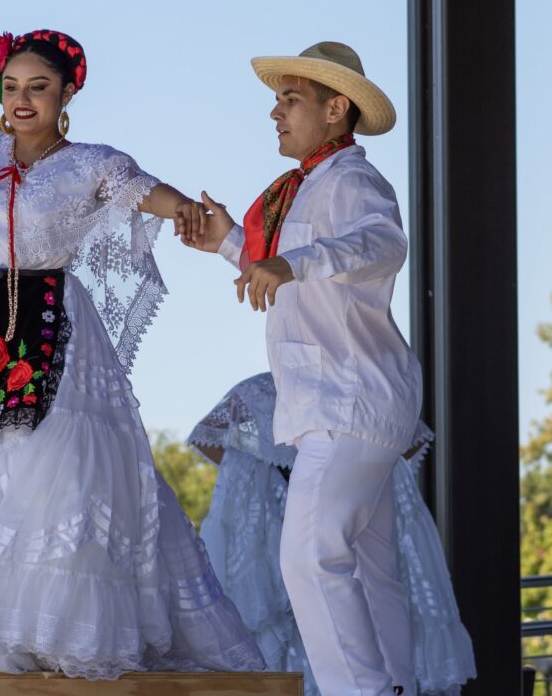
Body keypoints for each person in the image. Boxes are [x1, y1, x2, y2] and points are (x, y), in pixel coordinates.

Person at [0, 0, 264, 679]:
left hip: (53, 325)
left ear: (67, 92)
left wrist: (202, 220)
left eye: (37, 87)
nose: (20, 100)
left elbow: (154, 196)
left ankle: (51, 628)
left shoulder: (94, 164)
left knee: (60, 473)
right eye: (11, 87)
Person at [183, 42, 423, 695]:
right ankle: (395, 684)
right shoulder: (306, 189)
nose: (275, 113)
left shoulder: (353, 180)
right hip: (345, 401)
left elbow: (383, 243)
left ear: (336, 108)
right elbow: (291, 265)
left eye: (290, 99)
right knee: (369, 570)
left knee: (311, 556)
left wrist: (291, 262)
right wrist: (230, 242)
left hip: (348, 402)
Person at [188, 372, 476, 696]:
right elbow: (410, 436)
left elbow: (205, 436)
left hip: (309, 520)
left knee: (339, 600)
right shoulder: (337, 385)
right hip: (303, 517)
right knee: (346, 598)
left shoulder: (257, 392)